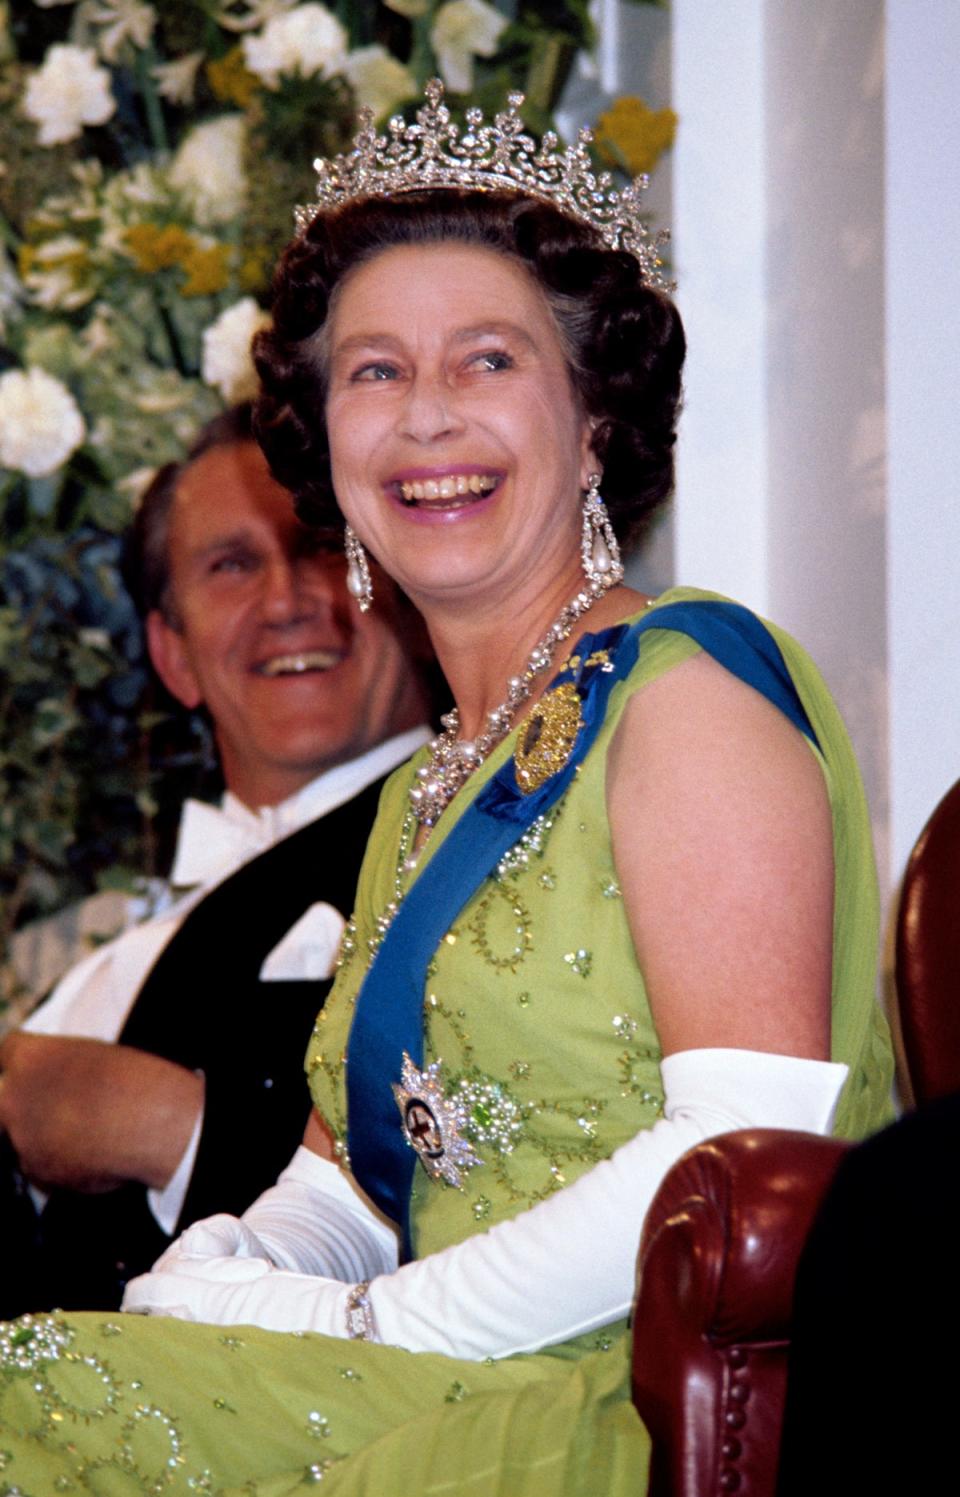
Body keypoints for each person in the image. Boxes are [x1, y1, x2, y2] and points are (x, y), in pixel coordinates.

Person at [0, 83, 894, 1495]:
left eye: (486, 361)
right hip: (419, 1379)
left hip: (603, 1406)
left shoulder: (686, 699)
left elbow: (737, 1143)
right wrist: (228, 1259)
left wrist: (370, 1324)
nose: (425, 417)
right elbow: (358, 1176)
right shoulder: (432, 787)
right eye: (373, 371)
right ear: (328, 448)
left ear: (593, 416)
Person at [0, 406, 434, 1317]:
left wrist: (171, 1126)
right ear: (172, 652)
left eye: (321, 544)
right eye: (232, 564)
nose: (286, 600)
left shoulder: (477, 850)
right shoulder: (106, 968)